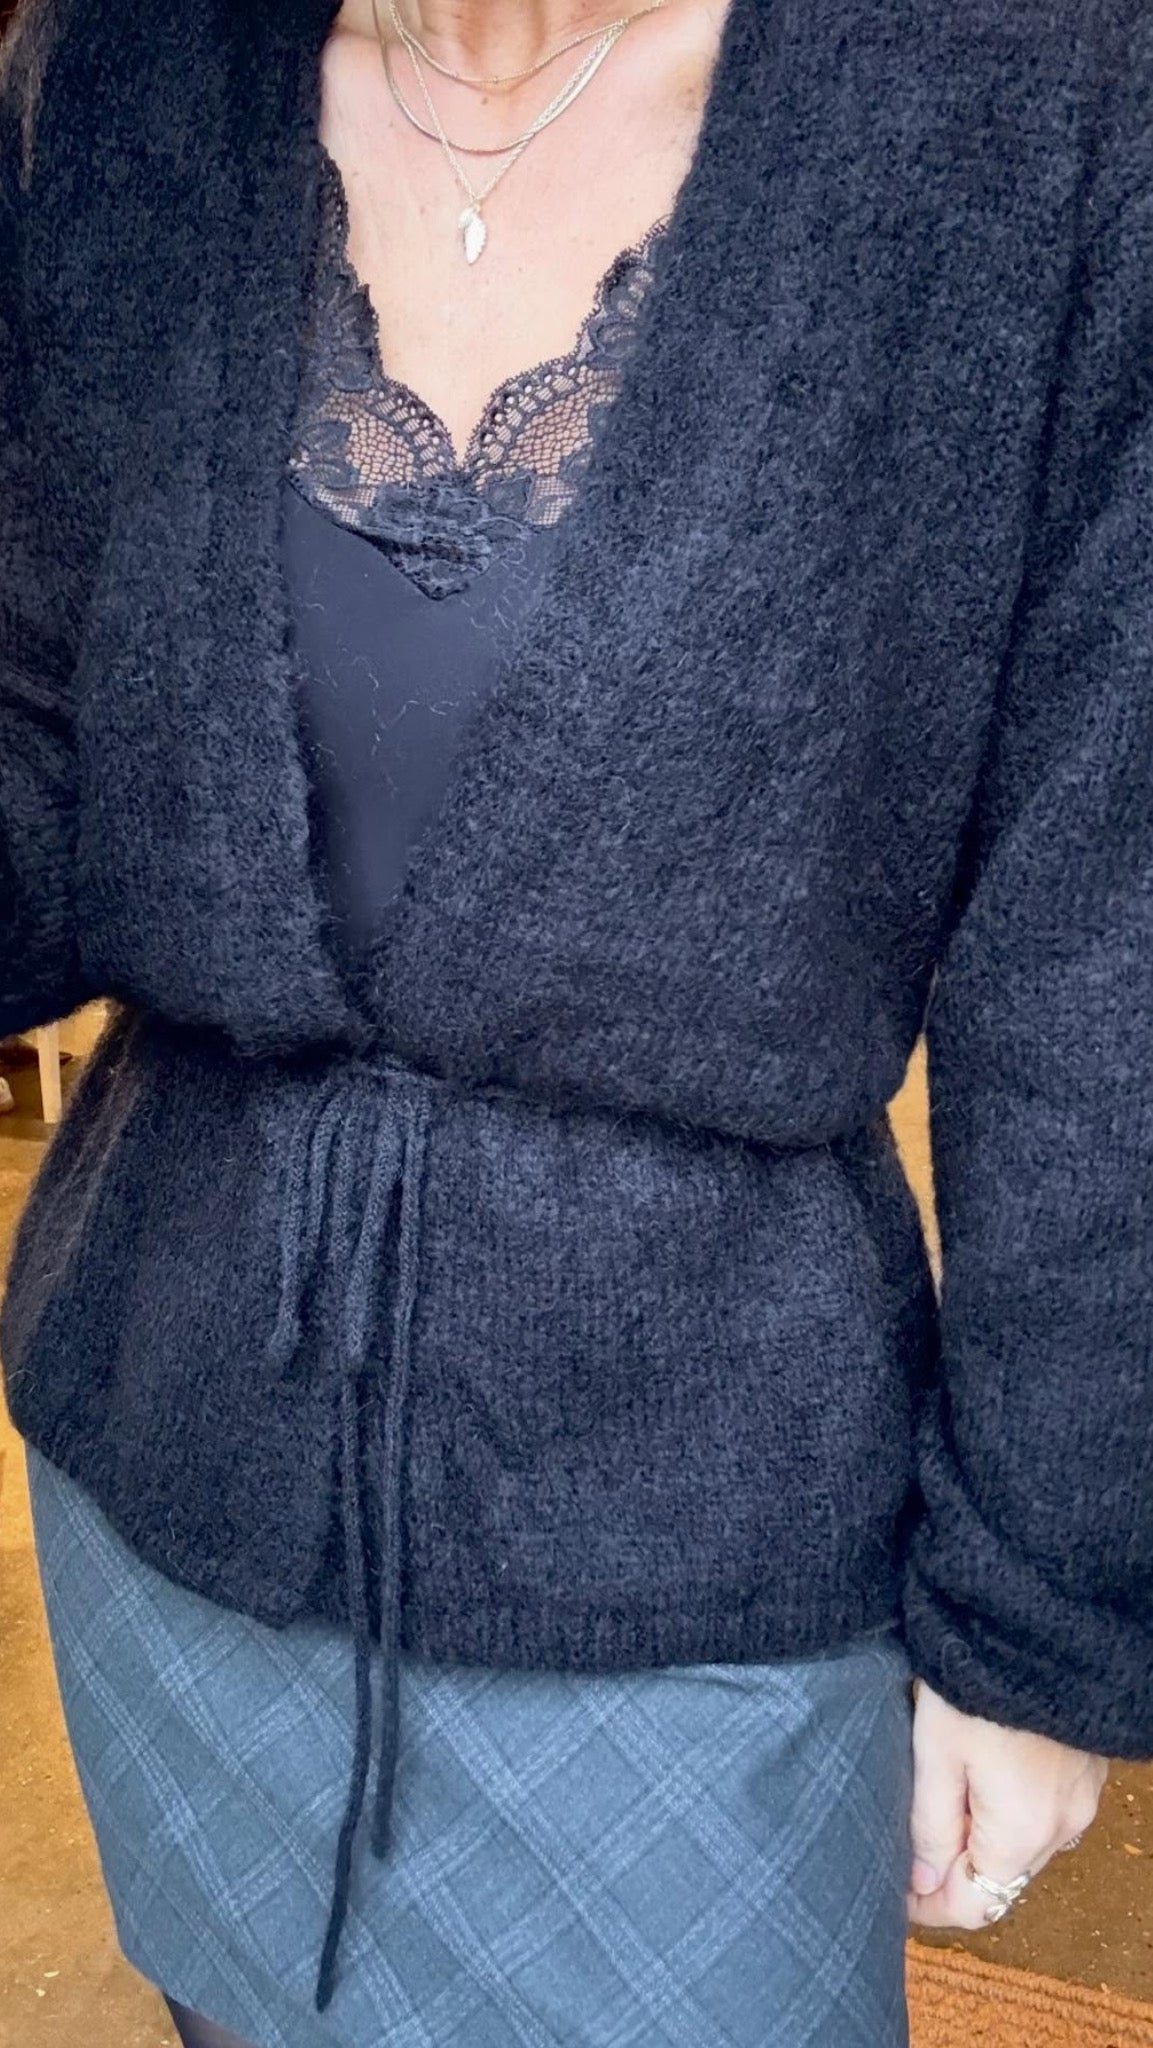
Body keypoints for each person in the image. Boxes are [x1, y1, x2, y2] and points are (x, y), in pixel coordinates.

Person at [1, 0, 1150, 2041]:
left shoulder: (1039, 104)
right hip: (171, 1462)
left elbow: (1105, 934)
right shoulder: (121, 69)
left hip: (698, 1550)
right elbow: (39, 716)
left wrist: (1047, 1609)